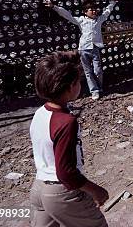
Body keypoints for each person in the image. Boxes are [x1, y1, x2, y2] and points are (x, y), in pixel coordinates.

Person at [29, 51, 109, 227]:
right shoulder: (67, 122)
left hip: (39, 187)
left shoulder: (40, 114)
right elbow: (66, 172)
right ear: (71, 86)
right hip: (61, 193)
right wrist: (96, 190)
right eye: (78, 82)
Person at [45, 0, 117, 100]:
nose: (94, 11)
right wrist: (54, 7)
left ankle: (99, 87)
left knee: (98, 70)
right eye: (91, 10)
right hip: (84, 49)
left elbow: (107, 11)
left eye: (95, 9)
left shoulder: (99, 19)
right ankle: (94, 91)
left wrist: (113, 2)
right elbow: (67, 15)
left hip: (95, 48)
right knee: (87, 71)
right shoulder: (81, 20)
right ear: (85, 11)